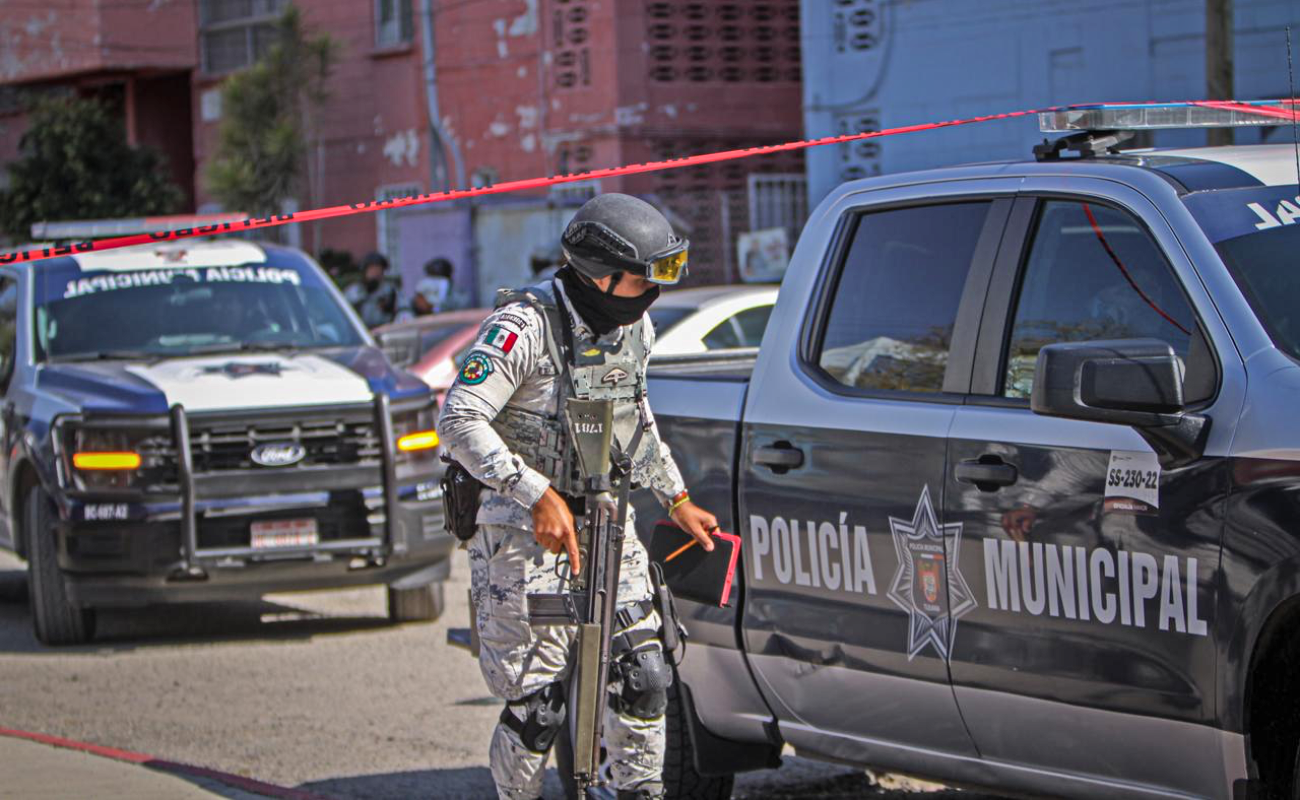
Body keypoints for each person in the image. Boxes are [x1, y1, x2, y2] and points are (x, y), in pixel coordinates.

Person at [437, 193, 718, 800]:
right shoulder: (523, 326)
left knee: (644, 676)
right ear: (599, 275)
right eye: (643, 276)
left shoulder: (632, 324)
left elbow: (632, 418)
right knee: (538, 710)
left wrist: (675, 497)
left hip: (606, 521)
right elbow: (459, 419)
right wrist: (534, 492)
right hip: (522, 527)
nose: (651, 291)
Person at [343, 251, 400, 327]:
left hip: (384, 331)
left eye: (379, 269)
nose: (375, 273)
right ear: (365, 271)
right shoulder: (353, 291)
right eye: (372, 269)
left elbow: (404, 311)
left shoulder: (390, 291)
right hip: (360, 331)